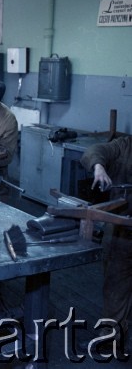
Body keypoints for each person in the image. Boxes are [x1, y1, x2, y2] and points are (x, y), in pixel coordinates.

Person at [80, 136, 132, 354]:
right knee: (115, 286)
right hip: (121, 230)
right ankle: (112, 336)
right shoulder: (125, 145)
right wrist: (99, 167)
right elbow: (94, 150)